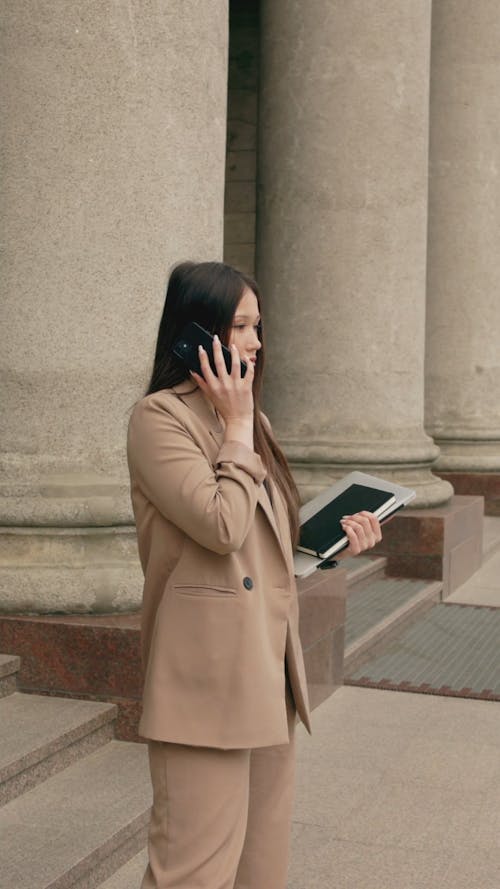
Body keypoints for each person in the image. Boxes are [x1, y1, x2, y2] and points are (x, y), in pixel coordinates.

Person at [127, 261, 382, 889]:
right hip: (207, 678)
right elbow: (220, 525)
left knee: (261, 870)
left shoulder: (250, 423)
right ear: (197, 333)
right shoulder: (160, 419)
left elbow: (262, 544)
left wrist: (329, 547)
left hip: (269, 673)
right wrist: (237, 427)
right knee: (192, 870)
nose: (256, 342)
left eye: (257, 326)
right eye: (241, 325)